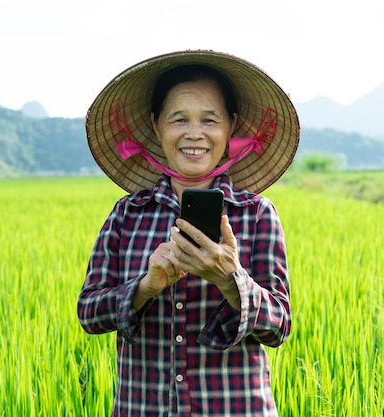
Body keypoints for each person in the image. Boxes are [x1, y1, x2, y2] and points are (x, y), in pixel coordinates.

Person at [78, 50, 300, 416]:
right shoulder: (127, 214)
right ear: (156, 126)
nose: (194, 134)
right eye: (179, 119)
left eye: (209, 120)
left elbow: (279, 325)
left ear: (231, 126)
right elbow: (88, 312)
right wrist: (145, 287)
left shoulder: (257, 214)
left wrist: (230, 278)